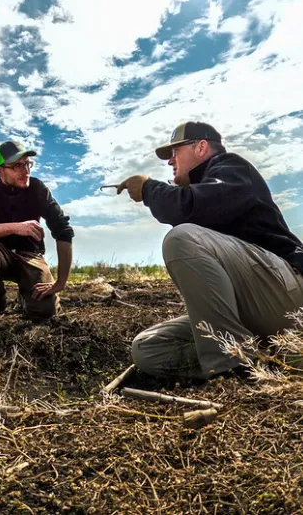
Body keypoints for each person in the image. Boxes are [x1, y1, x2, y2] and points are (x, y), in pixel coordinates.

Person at [117, 121, 303, 380]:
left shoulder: (232, 168)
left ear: (201, 147)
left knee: (182, 238)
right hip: (251, 313)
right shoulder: (207, 185)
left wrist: (149, 188)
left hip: (285, 296)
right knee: (148, 348)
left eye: (174, 152)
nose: (170, 162)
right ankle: (267, 356)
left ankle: (234, 369)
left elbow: (189, 207)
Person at [0, 140, 74, 320]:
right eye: (17, 166)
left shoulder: (37, 188)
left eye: (27, 164)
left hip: (30, 256)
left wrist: (60, 282)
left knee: (45, 312)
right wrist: (16, 227)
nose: (25, 171)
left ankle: (25, 295)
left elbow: (63, 229)